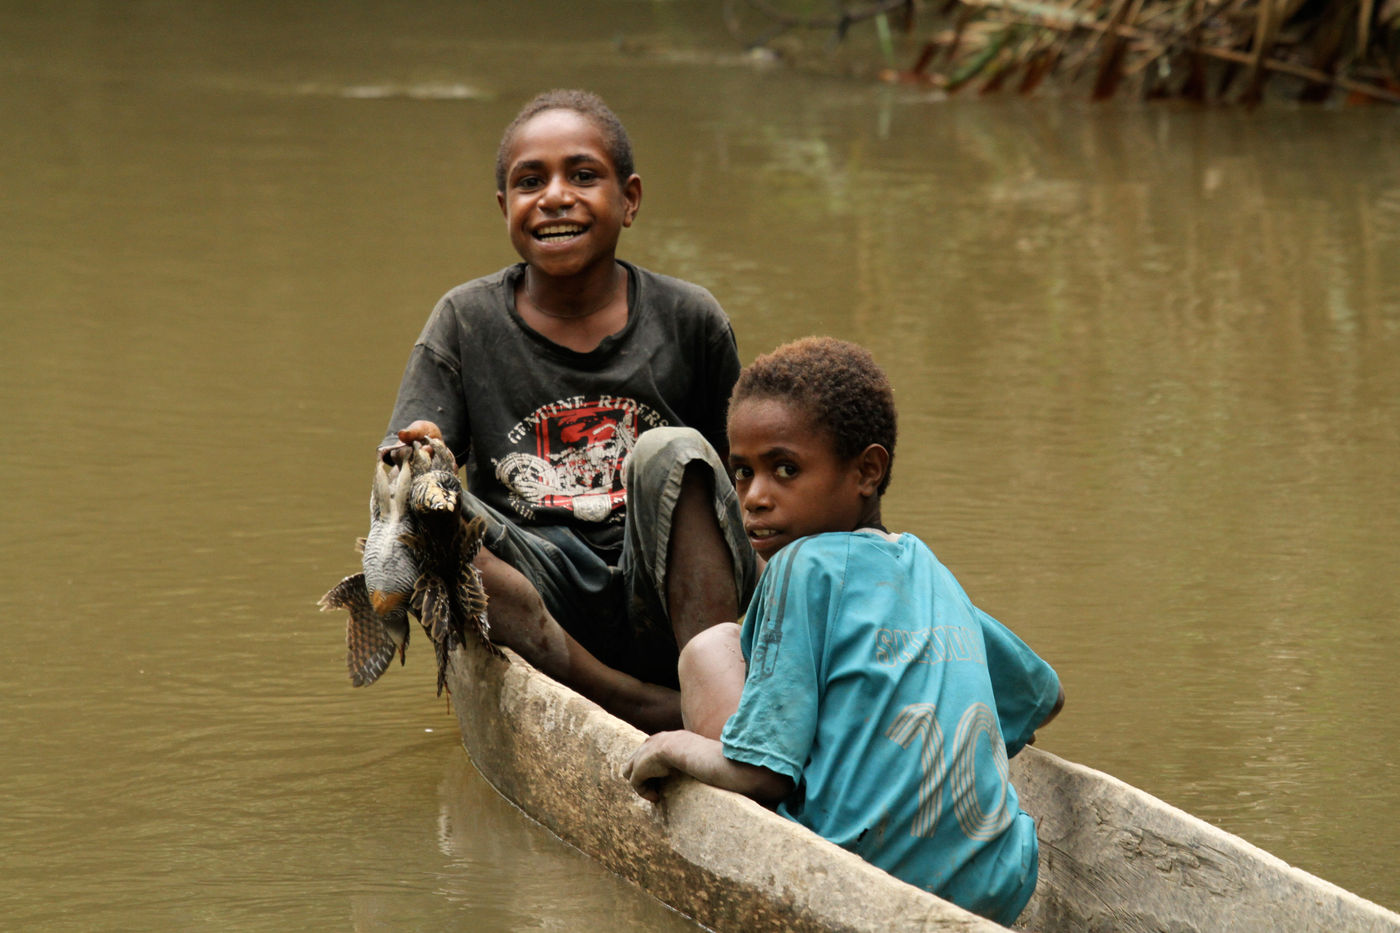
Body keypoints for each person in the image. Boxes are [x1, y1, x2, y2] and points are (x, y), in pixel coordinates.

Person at [622, 337, 1064, 925]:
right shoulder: (930, 568)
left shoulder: (801, 567)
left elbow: (761, 774)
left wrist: (674, 745)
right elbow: (1040, 696)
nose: (754, 497)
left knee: (711, 646)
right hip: (1006, 881)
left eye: (785, 470)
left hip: (855, 868)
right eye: (743, 473)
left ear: (867, 471)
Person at [380, 89, 757, 733]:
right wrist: (417, 459)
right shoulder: (465, 320)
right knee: (420, 502)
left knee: (671, 450)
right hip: (539, 594)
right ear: (506, 208)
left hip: (670, 589)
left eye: (583, 176)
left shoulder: (688, 318)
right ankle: (632, 702)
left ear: (629, 199)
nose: (555, 196)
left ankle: (715, 694)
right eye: (531, 182)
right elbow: (402, 462)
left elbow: (744, 482)